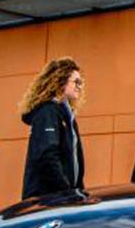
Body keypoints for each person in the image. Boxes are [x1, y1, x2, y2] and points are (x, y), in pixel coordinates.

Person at [19, 57, 86, 200]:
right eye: (76, 82)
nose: (80, 86)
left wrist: (79, 192)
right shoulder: (48, 113)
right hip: (47, 200)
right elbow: (47, 156)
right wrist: (67, 191)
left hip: (62, 197)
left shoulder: (67, 116)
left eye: (81, 82)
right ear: (60, 81)